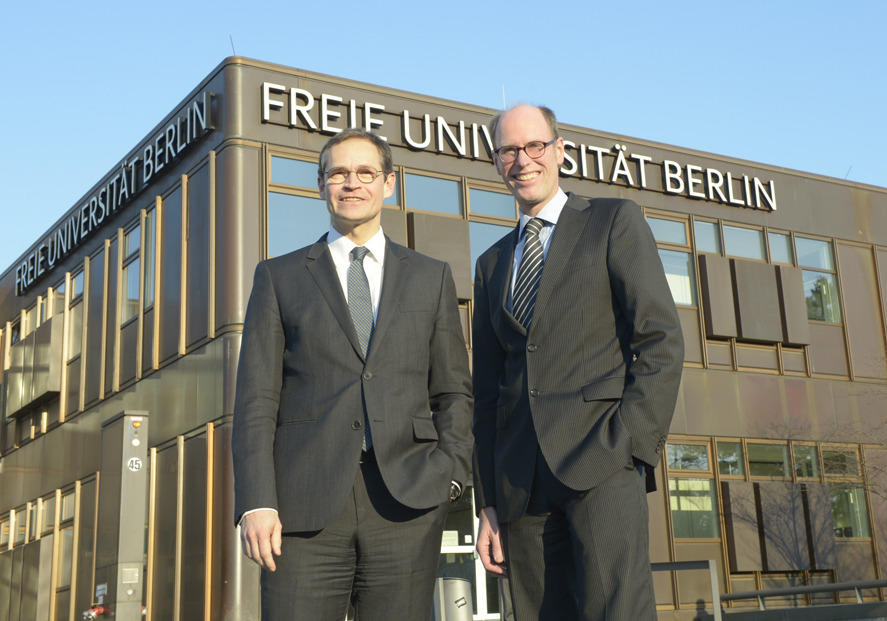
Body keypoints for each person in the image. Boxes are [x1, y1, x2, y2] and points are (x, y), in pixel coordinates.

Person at [232, 128, 473, 620]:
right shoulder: (279, 277)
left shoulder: (431, 276)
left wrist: (451, 477)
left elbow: (452, 390)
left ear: (388, 184)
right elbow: (256, 398)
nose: (352, 183)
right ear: (321, 185)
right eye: (338, 173)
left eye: (366, 172)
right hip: (302, 509)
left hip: (406, 503)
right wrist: (256, 501)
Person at [472, 104, 684, 620]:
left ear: (560, 150)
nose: (522, 160)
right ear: (497, 162)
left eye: (534, 146)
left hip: (602, 461)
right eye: (508, 150)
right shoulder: (491, 263)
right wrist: (488, 502)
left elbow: (659, 338)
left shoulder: (612, 220)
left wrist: (631, 444)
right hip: (521, 487)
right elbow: (485, 392)